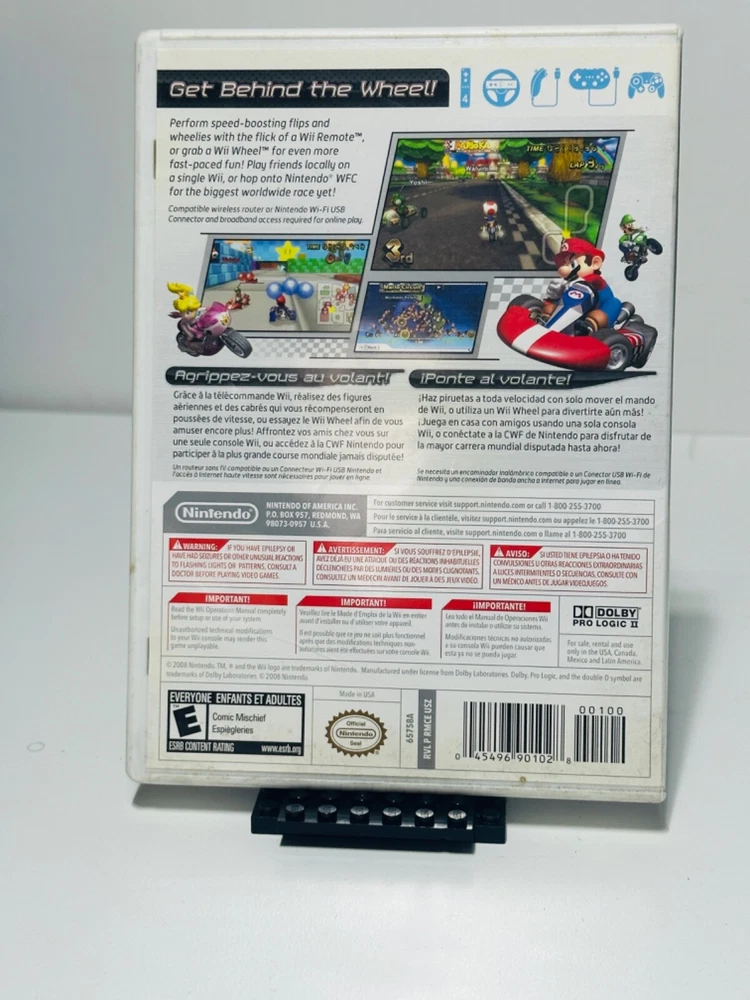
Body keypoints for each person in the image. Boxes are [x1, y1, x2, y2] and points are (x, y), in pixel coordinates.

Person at [543, 237, 621, 336]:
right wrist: (554, 295)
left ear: (595, 263)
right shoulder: (567, 281)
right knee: (550, 307)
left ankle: (590, 325)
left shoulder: (594, 279)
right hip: (575, 309)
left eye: (572, 263)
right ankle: (546, 318)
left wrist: (576, 282)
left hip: (596, 307)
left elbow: (592, 283)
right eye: (564, 263)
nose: (563, 268)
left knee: (614, 304)